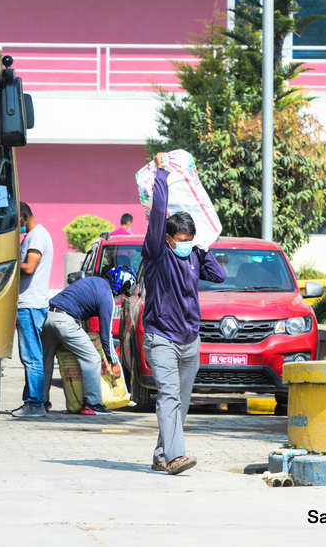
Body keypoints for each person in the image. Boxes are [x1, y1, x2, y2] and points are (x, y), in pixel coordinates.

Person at [142, 152, 226, 475]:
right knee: (168, 396)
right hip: (161, 337)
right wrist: (162, 175)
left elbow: (218, 275)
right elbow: (159, 213)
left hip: (190, 340)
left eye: (190, 240)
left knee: (182, 402)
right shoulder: (157, 254)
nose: (185, 244)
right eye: (181, 240)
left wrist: (203, 246)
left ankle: (161, 454)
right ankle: (176, 457)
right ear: (167, 238)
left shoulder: (193, 255)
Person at [41, 266, 134, 415]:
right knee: (92, 359)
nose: (122, 294)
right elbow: (106, 335)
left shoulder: (94, 281)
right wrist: (113, 361)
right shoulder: (106, 296)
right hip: (64, 320)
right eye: (124, 289)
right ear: (121, 284)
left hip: (47, 315)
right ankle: (92, 404)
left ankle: (41, 402)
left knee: (45, 361)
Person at [12, 202, 54, 418]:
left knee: (32, 357)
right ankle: (32, 401)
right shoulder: (35, 235)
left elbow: (29, 267)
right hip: (31, 304)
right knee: (32, 355)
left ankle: (35, 404)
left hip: (30, 305)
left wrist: (8, 262)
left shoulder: (36, 235)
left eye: (16, 220)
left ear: (24, 216)